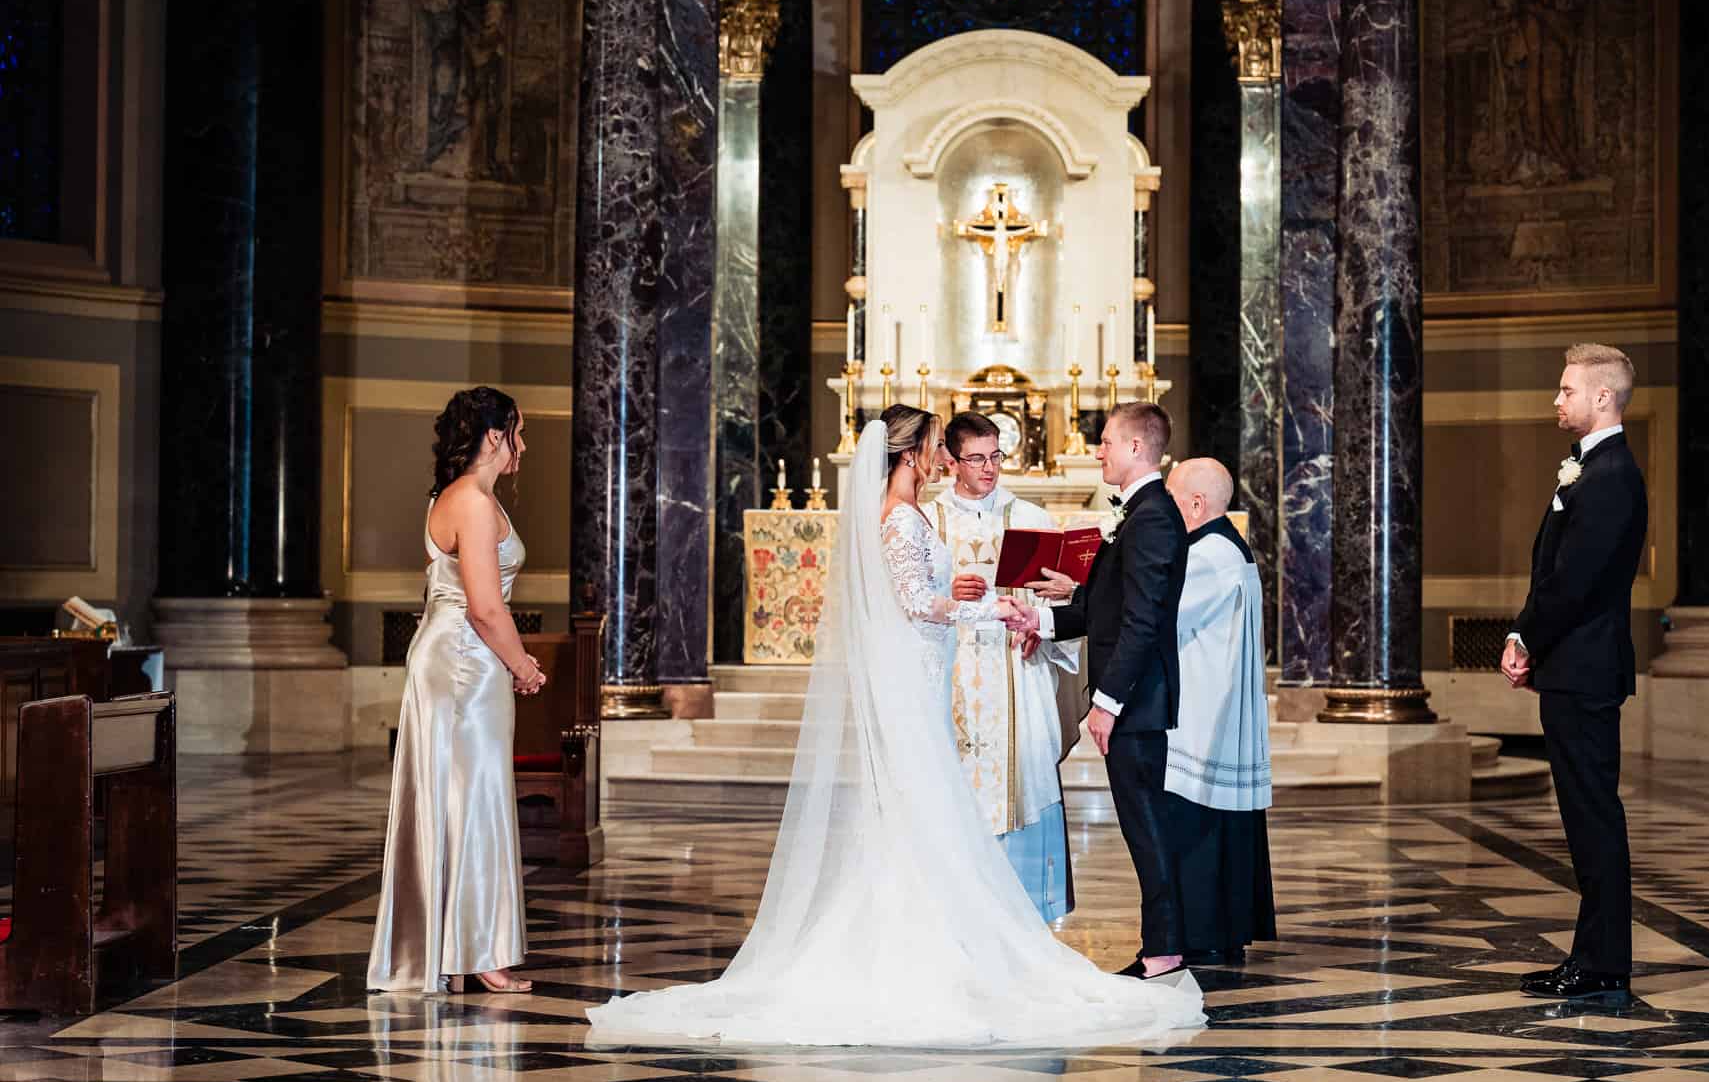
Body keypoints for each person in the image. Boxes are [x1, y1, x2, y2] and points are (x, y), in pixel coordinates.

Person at [585, 408, 1204, 1046]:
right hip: (927, 674)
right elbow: (916, 603)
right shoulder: (908, 516)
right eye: (947, 449)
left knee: (921, 813)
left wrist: (1023, 618)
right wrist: (986, 606)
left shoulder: (939, 513)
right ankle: (927, 944)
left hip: (938, 674)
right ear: (917, 456)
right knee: (923, 808)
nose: (952, 461)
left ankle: (948, 936)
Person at [369, 387, 546, 995]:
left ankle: (453, 943)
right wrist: (522, 665)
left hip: (449, 657)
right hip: (465, 663)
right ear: (493, 436)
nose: (522, 445)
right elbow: (484, 610)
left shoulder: (458, 497)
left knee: (458, 794)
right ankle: (475, 949)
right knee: (476, 796)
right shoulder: (471, 501)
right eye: (517, 433)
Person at [1502, 343, 1649, 1007]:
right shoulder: (1591, 469)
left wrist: (1528, 635)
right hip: (1573, 669)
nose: (1555, 400)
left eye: (1566, 390)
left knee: (1593, 818)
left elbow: (1577, 581)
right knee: (1585, 818)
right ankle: (1593, 957)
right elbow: (1556, 573)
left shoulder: (1611, 473)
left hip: (1585, 671)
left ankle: (1602, 962)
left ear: (1602, 398)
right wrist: (1519, 631)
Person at [1029, 401, 1192, 979]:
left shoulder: (1150, 517)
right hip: (1136, 700)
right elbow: (1111, 608)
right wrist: (1041, 622)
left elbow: (1144, 621)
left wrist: (1107, 701)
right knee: (1140, 822)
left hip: (1137, 703)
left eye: (1106, 441)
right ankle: (1163, 945)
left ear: (1135, 449)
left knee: (1145, 824)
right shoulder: (1142, 513)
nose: (1098, 451)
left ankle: (1164, 950)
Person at [928, 411, 1085, 922]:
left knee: (1024, 772)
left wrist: (1043, 623)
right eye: (976, 458)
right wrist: (947, 593)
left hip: (1016, 672)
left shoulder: (1032, 518)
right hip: (950, 673)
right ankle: (954, 909)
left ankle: (1024, 913)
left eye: (996, 456)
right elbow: (905, 600)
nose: (990, 468)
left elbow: (1059, 596)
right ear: (951, 461)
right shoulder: (928, 521)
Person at [1162, 458, 1277, 965]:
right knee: (1218, 825)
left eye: (1170, 496)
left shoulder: (1207, 555)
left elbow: (1160, 616)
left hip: (1203, 717)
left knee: (1199, 823)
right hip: (1216, 709)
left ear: (1195, 504)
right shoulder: (1225, 547)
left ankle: (1203, 933)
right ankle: (1219, 932)